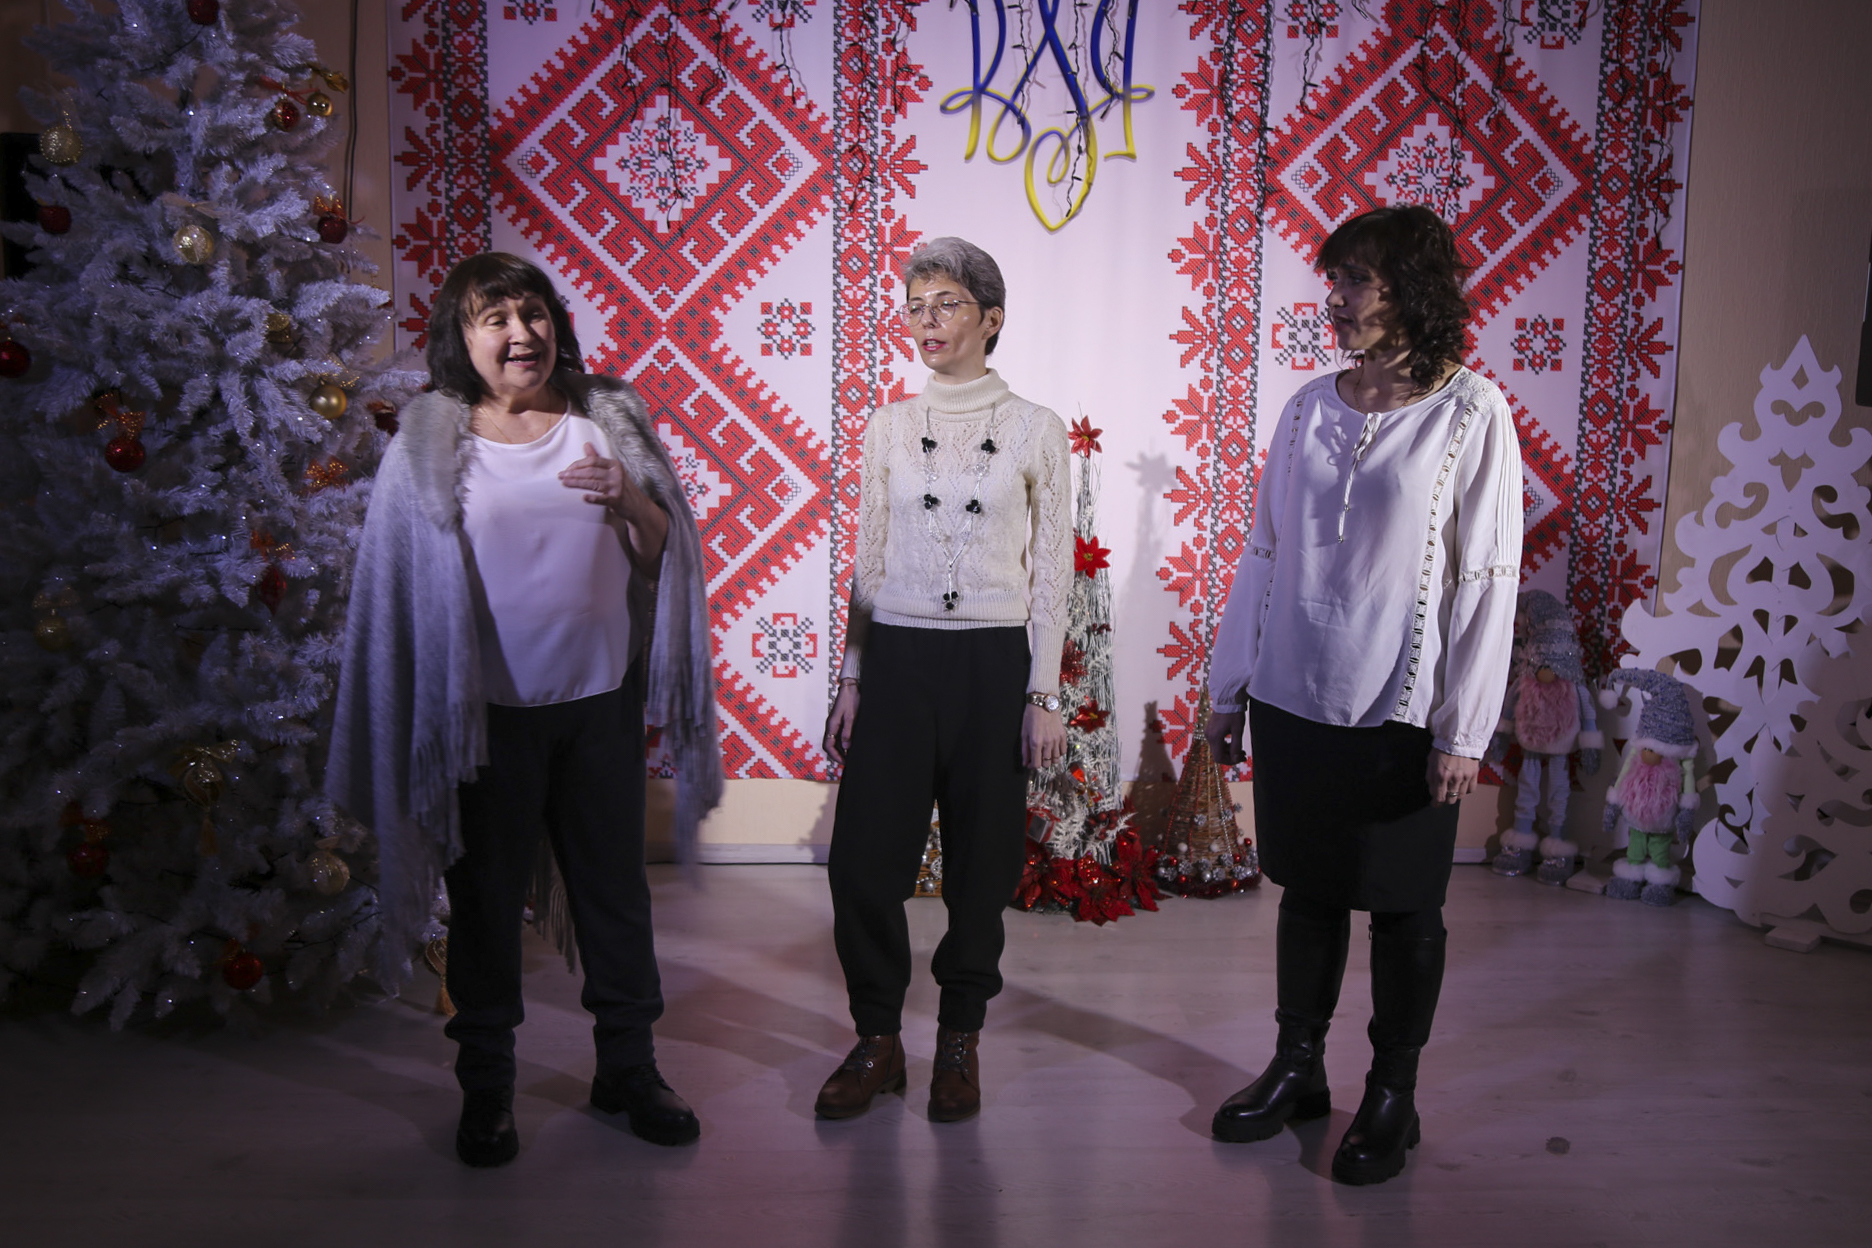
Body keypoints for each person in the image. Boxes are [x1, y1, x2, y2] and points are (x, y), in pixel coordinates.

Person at [326, 253, 722, 1167]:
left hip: (600, 707)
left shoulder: (605, 419)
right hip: (485, 721)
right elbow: (397, 588)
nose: (520, 333)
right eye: (494, 317)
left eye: (533, 313)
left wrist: (630, 497)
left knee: (615, 898)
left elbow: (669, 553)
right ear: (462, 339)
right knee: (485, 903)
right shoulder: (431, 439)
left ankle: (629, 1069)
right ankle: (489, 1088)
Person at [1204, 205, 1522, 1185]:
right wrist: (1229, 689)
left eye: (1356, 283)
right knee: (1308, 890)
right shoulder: (1306, 406)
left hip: (1403, 708)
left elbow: (1488, 576)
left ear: (1413, 293)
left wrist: (1464, 730)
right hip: (1296, 692)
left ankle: (1393, 1093)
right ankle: (1298, 1068)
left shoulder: (1470, 412)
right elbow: (1263, 549)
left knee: (1400, 906)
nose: (1334, 302)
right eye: (1333, 282)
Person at [816, 237, 1071, 1123]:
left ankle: (958, 1038)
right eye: (916, 305)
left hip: (992, 663)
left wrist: (1043, 694)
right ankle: (878, 1037)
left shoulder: (1038, 427)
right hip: (897, 660)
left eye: (947, 305)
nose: (926, 321)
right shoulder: (888, 425)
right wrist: (851, 675)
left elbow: (1051, 572)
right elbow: (869, 558)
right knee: (861, 864)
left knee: (980, 868)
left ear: (990, 320)